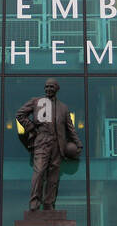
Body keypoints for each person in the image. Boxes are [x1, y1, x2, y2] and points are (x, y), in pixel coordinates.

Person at [15, 79, 82, 211]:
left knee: (53, 176)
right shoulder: (36, 101)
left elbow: (70, 128)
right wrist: (31, 128)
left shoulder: (63, 107)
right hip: (42, 141)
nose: (48, 89)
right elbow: (20, 114)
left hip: (58, 144)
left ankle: (48, 204)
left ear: (57, 89)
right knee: (39, 171)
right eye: (46, 87)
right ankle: (34, 203)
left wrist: (77, 142)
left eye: (51, 87)